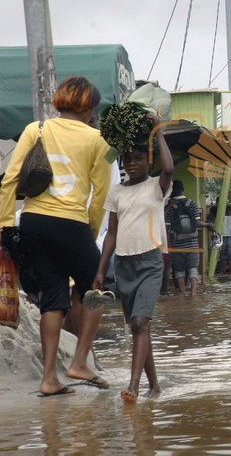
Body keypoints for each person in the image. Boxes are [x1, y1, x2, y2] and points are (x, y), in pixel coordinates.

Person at [0, 76, 112, 397]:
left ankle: (49, 379)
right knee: (96, 289)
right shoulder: (100, 141)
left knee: (53, 297)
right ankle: (79, 362)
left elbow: (9, 180)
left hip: (33, 221)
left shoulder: (35, 129)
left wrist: (6, 224)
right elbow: (100, 196)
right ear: (90, 107)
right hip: (70, 222)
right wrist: (88, 235)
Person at [94, 113, 173, 404]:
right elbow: (111, 235)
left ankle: (134, 387)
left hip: (151, 262)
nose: (132, 163)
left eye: (138, 158)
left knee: (140, 322)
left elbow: (168, 167)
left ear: (147, 162)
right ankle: (154, 386)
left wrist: (158, 130)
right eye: (128, 159)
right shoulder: (116, 193)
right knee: (139, 327)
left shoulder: (157, 186)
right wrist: (101, 271)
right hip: (124, 264)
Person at [165, 180, 213, 296]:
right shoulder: (192, 204)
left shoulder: (170, 206)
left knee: (179, 270)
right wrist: (207, 225)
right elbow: (197, 224)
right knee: (193, 268)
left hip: (177, 245)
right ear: (183, 189)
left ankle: (182, 294)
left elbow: (166, 227)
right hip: (192, 244)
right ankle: (193, 294)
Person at [221, 205, 231, 275]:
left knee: (223, 257)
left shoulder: (222, 218)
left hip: (222, 238)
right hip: (230, 238)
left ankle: (223, 272)